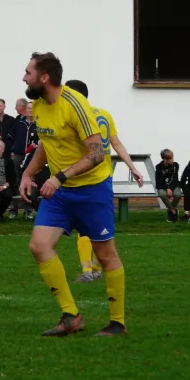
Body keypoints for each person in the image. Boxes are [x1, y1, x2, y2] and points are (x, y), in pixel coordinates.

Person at [20, 52, 126, 337]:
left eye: (28, 72)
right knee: (39, 246)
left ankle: (117, 322)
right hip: (62, 193)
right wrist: (28, 173)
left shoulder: (75, 104)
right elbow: (46, 143)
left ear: (44, 78)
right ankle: (71, 316)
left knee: (105, 255)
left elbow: (96, 154)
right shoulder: (38, 104)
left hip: (92, 190)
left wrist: (58, 176)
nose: (24, 77)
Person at [64, 79, 144, 283]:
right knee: (99, 226)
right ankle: (97, 269)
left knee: (83, 226)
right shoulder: (104, 114)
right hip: (104, 177)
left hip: (84, 178)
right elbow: (116, 143)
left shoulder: (75, 118)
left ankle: (88, 270)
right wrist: (133, 167)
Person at [8, 101, 38, 219]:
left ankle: (28, 209)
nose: (30, 110)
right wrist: (11, 151)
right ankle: (13, 209)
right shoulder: (18, 123)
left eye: (33, 108)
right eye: (29, 108)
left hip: (32, 157)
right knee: (16, 181)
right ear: (25, 109)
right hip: (18, 156)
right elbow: (9, 138)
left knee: (29, 183)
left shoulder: (39, 124)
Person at [155, 149, 182, 222]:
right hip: (162, 186)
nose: (172, 160)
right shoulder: (158, 167)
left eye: (172, 157)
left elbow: (175, 179)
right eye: (170, 159)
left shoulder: (176, 165)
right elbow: (159, 181)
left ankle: (169, 211)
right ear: (164, 159)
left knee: (178, 195)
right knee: (162, 194)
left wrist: (170, 188)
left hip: (174, 185)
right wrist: (167, 188)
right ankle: (173, 211)